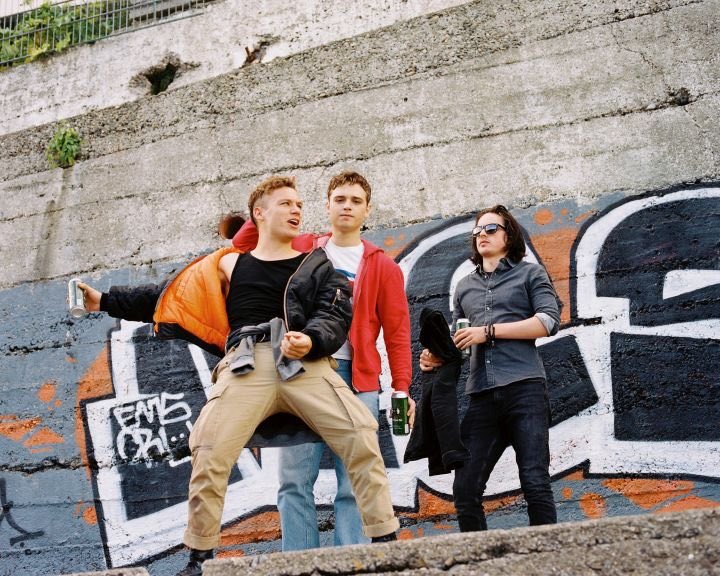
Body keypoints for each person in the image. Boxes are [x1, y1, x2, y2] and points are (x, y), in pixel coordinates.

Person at [78, 176, 400, 575]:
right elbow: (168, 295)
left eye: (299, 205)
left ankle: (386, 543)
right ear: (259, 214)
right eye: (285, 203)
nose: (296, 210)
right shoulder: (227, 263)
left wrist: (311, 340)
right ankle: (200, 557)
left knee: (361, 433)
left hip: (304, 365)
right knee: (209, 447)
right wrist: (104, 301)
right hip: (245, 365)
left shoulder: (319, 265)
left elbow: (334, 315)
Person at [233, 170, 415, 550]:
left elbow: (397, 333)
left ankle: (351, 562)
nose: (347, 206)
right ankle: (299, 563)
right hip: (301, 373)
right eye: (340, 200)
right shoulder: (302, 247)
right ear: (327, 206)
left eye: (356, 201)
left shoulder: (382, 266)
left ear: (367, 210)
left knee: (355, 481)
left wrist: (401, 388)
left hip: (357, 379)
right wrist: (271, 200)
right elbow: (244, 241)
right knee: (294, 480)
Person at [419, 204, 561, 532]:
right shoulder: (464, 287)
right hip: (481, 396)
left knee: (535, 480)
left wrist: (489, 331)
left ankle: (549, 555)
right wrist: (437, 356)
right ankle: (478, 557)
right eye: (477, 230)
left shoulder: (530, 274)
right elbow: (460, 342)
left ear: (509, 236)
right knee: (464, 489)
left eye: (491, 229)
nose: (482, 234)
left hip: (525, 389)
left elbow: (548, 321)